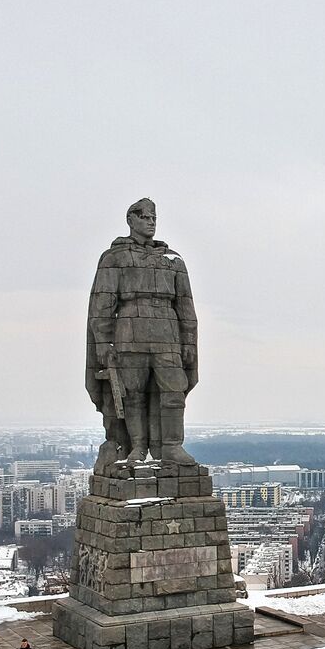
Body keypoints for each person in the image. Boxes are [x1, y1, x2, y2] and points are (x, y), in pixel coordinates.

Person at [85, 198, 200, 470]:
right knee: (132, 393)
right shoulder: (115, 258)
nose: (150, 221)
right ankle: (137, 446)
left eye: (153, 217)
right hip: (128, 331)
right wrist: (103, 340)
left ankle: (172, 446)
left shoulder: (172, 261)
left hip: (167, 332)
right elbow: (103, 304)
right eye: (144, 216)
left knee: (173, 390)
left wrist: (189, 341)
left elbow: (185, 305)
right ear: (131, 220)